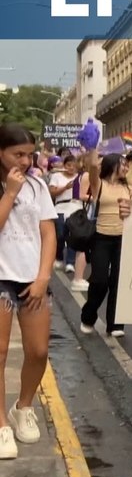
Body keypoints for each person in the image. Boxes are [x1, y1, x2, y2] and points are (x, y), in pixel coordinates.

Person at [0, 124, 57, 459]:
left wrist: (43, 276)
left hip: (32, 277)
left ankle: (23, 407)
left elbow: (48, 233)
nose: (24, 160)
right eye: (16, 154)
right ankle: (1, 427)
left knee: (38, 351)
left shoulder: (37, 186)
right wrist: (8, 192)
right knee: (1, 353)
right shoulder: (12, 185)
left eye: (29, 154)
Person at [79, 151, 132, 337]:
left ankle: (116, 324)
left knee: (118, 282)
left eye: (127, 165)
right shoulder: (99, 184)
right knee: (100, 280)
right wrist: (92, 147)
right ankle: (88, 316)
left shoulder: (129, 188)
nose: (126, 168)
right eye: (123, 164)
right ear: (112, 165)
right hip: (101, 237)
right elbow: (93, 167)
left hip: (123, 239)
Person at [46, 150, 81, 272]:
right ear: (64, 165)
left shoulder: (80, 177)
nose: (71, 168)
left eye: (74, 165)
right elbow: (52, 192)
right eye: (68, 165)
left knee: (72, 235)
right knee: (60, 235)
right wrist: (65, 187)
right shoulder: (57, 176)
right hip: (60, 208)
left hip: (76, 208)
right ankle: (59, 257)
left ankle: (70, 263)